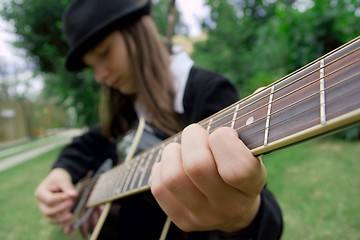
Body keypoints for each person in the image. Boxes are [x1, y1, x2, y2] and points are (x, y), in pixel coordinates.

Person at [34, 0, 283, 239]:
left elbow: (263, 215)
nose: (100, 75)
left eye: (104, 53)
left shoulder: (207, 92)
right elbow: (88, 142)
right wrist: (61, 171)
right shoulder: (126, 106)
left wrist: (241, 219)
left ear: (138, 35)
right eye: (92, 67)